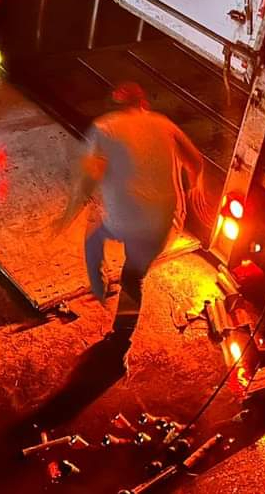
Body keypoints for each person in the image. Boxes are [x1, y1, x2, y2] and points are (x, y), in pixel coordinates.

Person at [52, 82, 209, 355]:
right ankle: (115, 287)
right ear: (143, 104)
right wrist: (195, 188)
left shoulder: (104, 128)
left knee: (121, 262)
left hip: (129, 222)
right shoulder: (163, 123)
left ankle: (120, 337)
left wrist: (67, 215)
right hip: (168, 223)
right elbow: (196, 162)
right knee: (135, 269)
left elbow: (88, 182)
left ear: (113, 107)